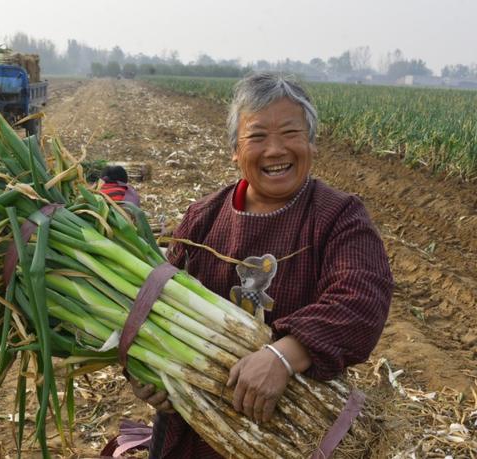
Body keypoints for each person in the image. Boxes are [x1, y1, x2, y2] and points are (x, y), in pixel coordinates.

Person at [129, 73, 393, 458]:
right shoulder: (203, 218)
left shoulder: (338, 216)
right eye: (257, 137)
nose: (275, 150)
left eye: (290, 133)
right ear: (235, 150)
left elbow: (360, 299)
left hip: (296, 436)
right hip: (195, 430)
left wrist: (284, 355)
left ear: (311, 144)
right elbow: (152, 305)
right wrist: (148, 370)